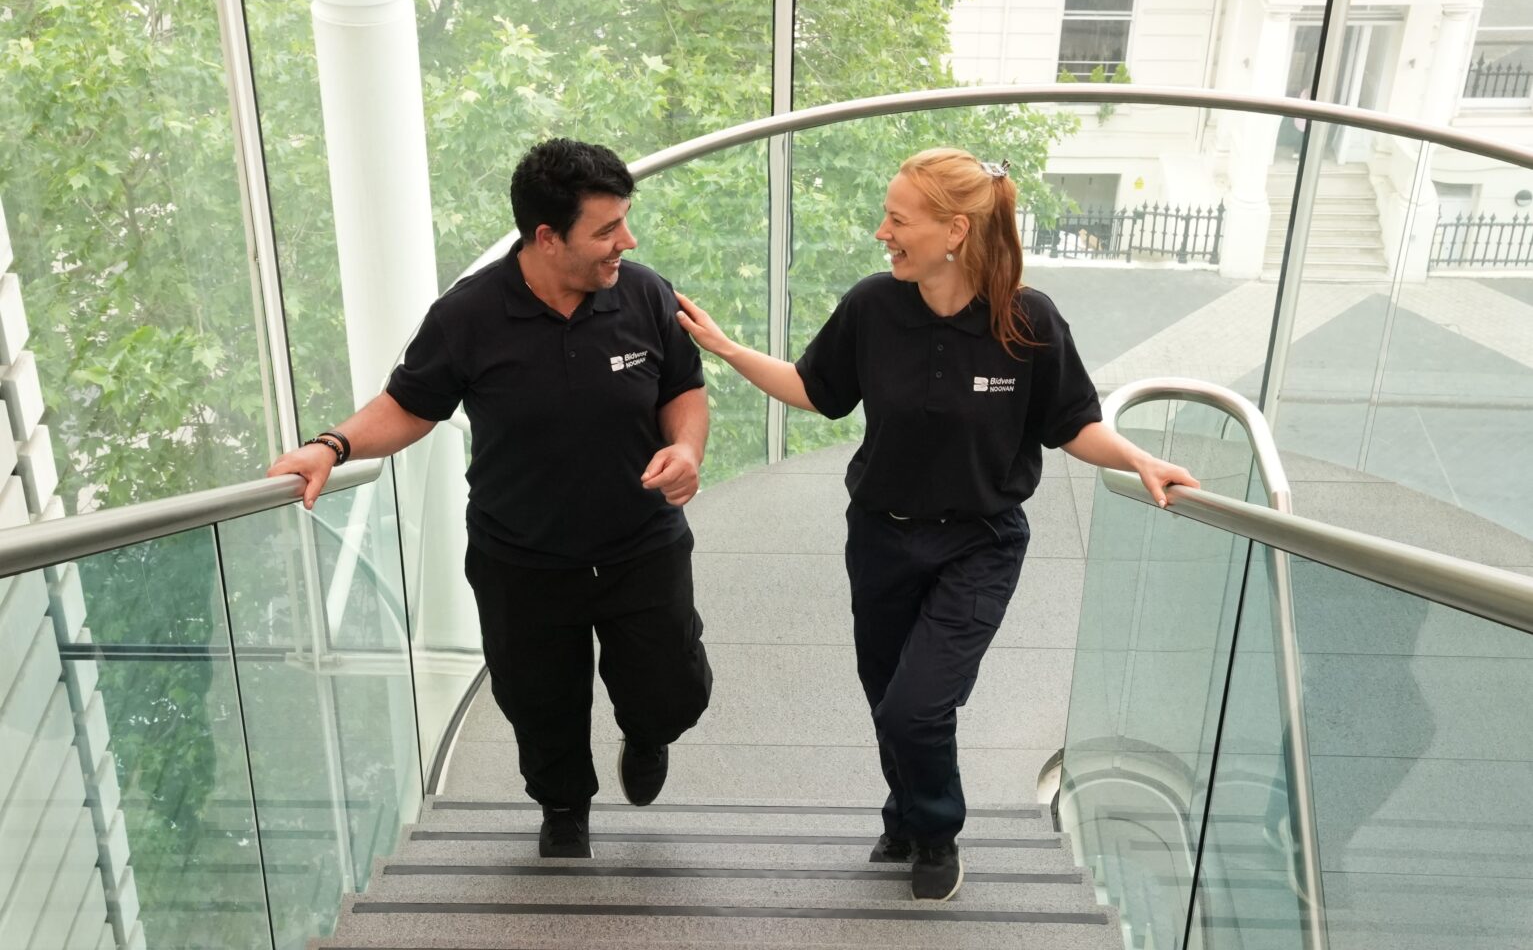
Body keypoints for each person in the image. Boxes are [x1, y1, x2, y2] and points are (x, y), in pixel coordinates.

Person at [674, 147, 1198, 901]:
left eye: (897, 218)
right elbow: (817, 391)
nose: (881, 231)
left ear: (954, 230)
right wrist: (726, 349)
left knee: (918, 704)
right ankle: (906, 814)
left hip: (978, 544)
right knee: (886, 696)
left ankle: (935, 833)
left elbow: (1071, 423)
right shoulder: (872, 306)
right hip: (880, 537)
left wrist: (1136, 458)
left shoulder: (1028, 319)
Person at [268, 138, 713, 859]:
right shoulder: (468, 316)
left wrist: (686, 448)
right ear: (546, 237)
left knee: (673, 692)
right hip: (522, 559)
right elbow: (409, 405)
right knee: (540, 706)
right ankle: (564, 807)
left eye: (624, 223)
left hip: (641, 544)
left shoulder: (643, 293)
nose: (624, 242)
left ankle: (649, 728)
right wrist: (331, 445)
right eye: (605, 230)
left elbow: (683, 391)